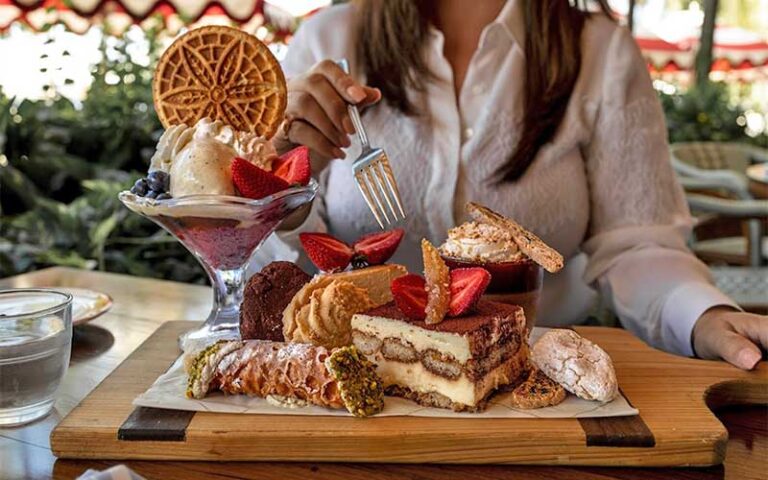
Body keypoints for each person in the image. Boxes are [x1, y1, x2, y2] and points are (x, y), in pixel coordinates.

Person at [252, 0, 767, 370]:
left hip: (536, 375)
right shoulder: (329, 40)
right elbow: (273, 280)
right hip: (358, 369)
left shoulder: (600, 52)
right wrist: (287, 190)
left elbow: (638, 241)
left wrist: (703, 315)